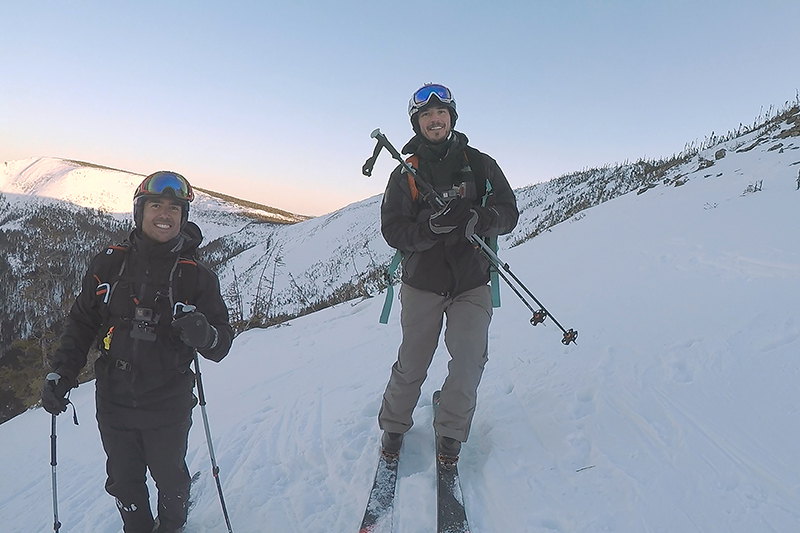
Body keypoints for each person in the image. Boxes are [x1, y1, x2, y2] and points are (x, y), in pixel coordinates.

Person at [41, 171, 233, 533]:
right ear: (140, 211)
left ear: (183, 216)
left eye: (175, 208)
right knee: (123, 480)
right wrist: (61, 374)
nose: (165, 214)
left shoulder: (197, 278)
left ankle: (173, 526)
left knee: (170, 479)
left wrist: (203, 334)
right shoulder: (109, 265)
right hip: (114, 396)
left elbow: (221, 344)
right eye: (156, 205)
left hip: (168, 399)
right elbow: (82, 323)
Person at [378, 83, 519, 462]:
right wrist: (428, 230)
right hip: (422, 283)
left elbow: (508, 212)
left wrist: (478, 217)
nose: (434, 119)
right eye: (425, 114)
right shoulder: (405, 174)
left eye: (440, 113)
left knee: (469, 361)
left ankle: (451, 432)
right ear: (417, 122)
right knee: (413, 360)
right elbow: (393, 230)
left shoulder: (481, 164)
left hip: (471, 282)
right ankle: (393, 426)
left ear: (451, 118)